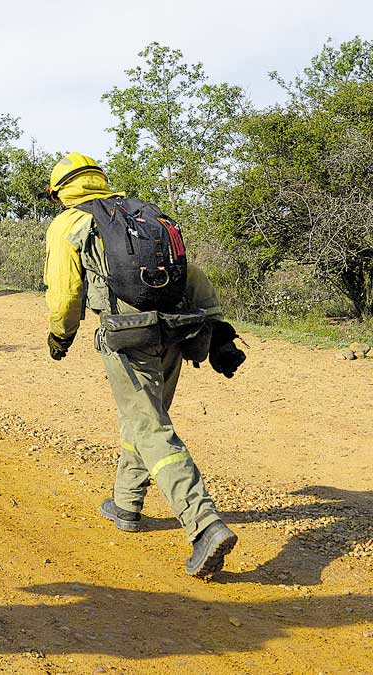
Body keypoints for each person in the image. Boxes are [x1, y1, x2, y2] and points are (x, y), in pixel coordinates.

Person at [42, 152, 247, 578]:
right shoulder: (141, 212)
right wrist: (216, 327)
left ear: (60, 191)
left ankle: (204, 523)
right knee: (144, 418)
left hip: (127, 337)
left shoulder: (69, 223)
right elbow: (192, 272)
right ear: (99, 179)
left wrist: (61, 336)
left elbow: (64, 294)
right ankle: (127, 504)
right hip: (176, 328)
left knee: (151, 427)